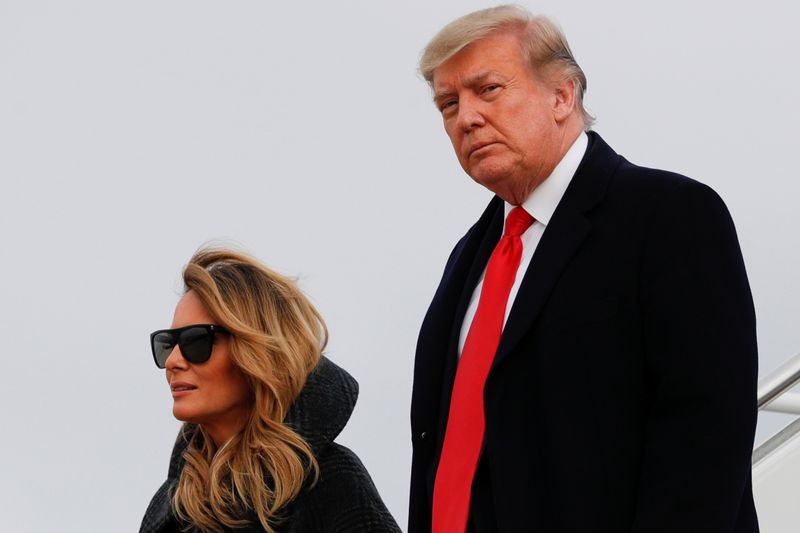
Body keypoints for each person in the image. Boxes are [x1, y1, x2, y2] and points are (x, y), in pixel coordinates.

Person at [409, 5, 758, 533]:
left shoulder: (670, 215)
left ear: (562, 95)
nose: (467, 117)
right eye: (448, 103)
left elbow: (706, 436)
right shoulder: (468, 256)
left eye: (489, 89)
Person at [141, 248, 401, 533]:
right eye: (168, 344)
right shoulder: (172, 508)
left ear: (256, 352)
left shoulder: (330, 481)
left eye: (197, 341)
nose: (174, 362)